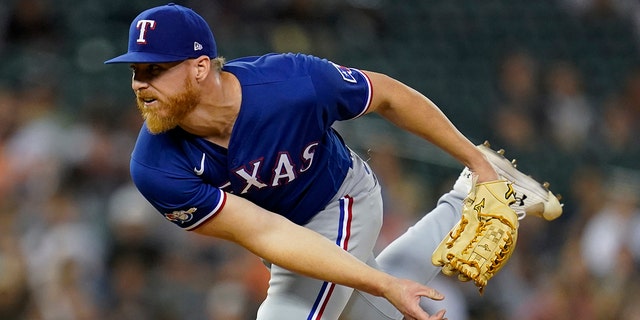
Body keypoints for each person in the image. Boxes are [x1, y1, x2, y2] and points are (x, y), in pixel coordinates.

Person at [104, 3, 560, 319]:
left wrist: (475, 160)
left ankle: (481, 176)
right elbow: (267, 233)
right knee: (369, 312)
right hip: (288, 234)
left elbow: (390, 96)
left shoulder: (292, 83)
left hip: (340, 200)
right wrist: (382, 286)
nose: (140, 84)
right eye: (135, 71)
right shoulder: (154, 166)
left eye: (155, 69)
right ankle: (462, 203)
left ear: (200, 67)